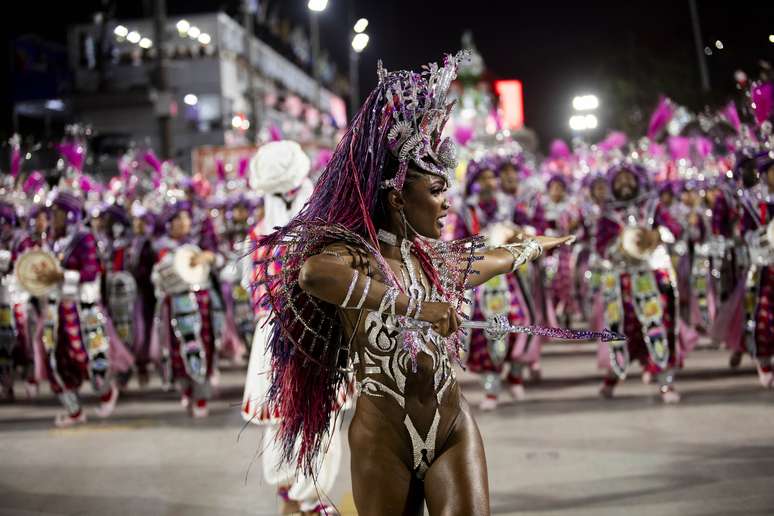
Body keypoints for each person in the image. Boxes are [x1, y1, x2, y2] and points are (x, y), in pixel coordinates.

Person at [249, 52, 572, 515]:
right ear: (399, 197)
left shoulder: (438, 259)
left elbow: (497, 258)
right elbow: (314, 275)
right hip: (383, 442)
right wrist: (415, 309)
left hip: (451, 432)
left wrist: (538, 245)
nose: (446, 203)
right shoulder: (355, 255)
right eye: (437, 190)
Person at [241, 140, 342, 515]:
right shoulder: (320, 231)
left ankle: (291, 489)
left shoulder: (257, 236)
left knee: (289, 418)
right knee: (319, 417)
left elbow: (250, 291)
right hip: (306, 335)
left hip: (272, 337)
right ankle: (309, 498)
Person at [35, 186, 133, 426]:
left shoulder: (84, 238)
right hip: (56, 312)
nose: (51, 217)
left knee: (88, 358)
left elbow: (91, 272)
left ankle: (107, 392)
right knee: (55, 362)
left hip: (82, 310)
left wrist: (61, 276)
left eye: (57, 212)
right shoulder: (52, 241)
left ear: (69, 214)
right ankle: (74, 411)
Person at [593, 164, 682, 403]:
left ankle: (666, 382)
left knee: (660, 325)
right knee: (622, 330)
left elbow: (676, 228)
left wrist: (659, 235)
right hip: (622, 280)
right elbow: (600, 246)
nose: (624, 184)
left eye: (628, 179)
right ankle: (612, 378)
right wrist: (620, 246)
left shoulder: (653, 206)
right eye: (619, 180)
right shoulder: (607, 214)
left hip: (654, 275)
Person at [151, 190, 220, 417]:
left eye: (186, 217)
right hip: (175, 304)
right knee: (178, 349)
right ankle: (187, 390)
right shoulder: (162, 248)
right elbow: (157, 278)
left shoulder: (197, 244)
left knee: (202, 346)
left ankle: (200, 396)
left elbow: (216, 258)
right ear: (169, 224)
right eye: (178, 219)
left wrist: (205, 257)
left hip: (199, 302)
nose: (184, 222)